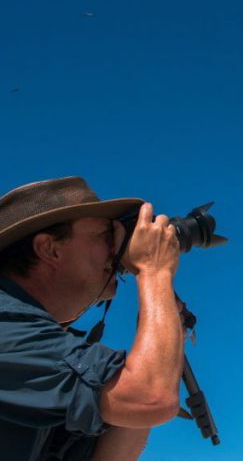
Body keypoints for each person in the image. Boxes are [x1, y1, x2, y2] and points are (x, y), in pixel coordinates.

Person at [0, 177, 185, 460]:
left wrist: (163, 336)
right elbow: (150, 397)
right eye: (105, 236)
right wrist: (154, 271)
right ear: (50, 249)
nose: (117, 250)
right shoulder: (8, 331)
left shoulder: (32, 347)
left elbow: (115, 446)